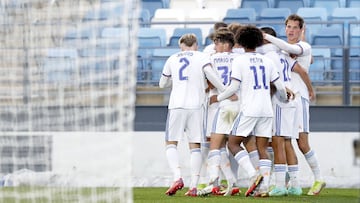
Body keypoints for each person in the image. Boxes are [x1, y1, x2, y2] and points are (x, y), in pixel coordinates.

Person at [212, 25, 293, 197]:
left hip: (249, 108)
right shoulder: (267, 61)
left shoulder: (239, 61)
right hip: (267, 110)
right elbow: (279, 87)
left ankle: (253, 175)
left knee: (233, 143)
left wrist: (218, 97)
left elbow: (233, 86)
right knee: (262, 147)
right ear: (258, 42)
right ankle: (263, 188)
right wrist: (285, 98)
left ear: (240, 41)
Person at [263, 14, 325, 196]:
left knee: (302, 142)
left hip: (300, 98)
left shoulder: (303, 46)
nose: (290, 30)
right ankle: (291, 182)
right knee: (286, 141)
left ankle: (319, 177)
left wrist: (310, 90)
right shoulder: (286, 50)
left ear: (301, 30)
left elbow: (302, 66)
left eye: (295, 28)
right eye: (288, 27)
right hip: (289, 99)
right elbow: (306, 60)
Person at [159, 33, 226, 196]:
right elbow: (212, 76)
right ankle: (193, 186)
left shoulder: (173, 58)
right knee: (195, 145)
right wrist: (225, 91)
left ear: (181, 45)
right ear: (195, 45)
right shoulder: (202, 57)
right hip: (196, 106)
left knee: (171, 143)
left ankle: (177, 176)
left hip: (176, 105)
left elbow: (162, 84)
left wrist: (176, 82)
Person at [258, 26, 302, 196]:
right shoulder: (283, 54)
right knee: (287, 142)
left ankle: (280, 185)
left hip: (280, 100)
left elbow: (272, 82)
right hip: (292, 100)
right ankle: (295, 185)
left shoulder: (267, 56)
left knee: (277, 142)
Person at [197, 29, 240, 196]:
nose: (214, 46)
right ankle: (233, 180)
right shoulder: (239, 58)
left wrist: (220, 94)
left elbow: (208, 82)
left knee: (215, 142)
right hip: (238, 104)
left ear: (224, 43)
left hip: (218, 104)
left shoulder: (211, 58)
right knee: (237, 143)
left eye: (216, 42)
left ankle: (214, 181)